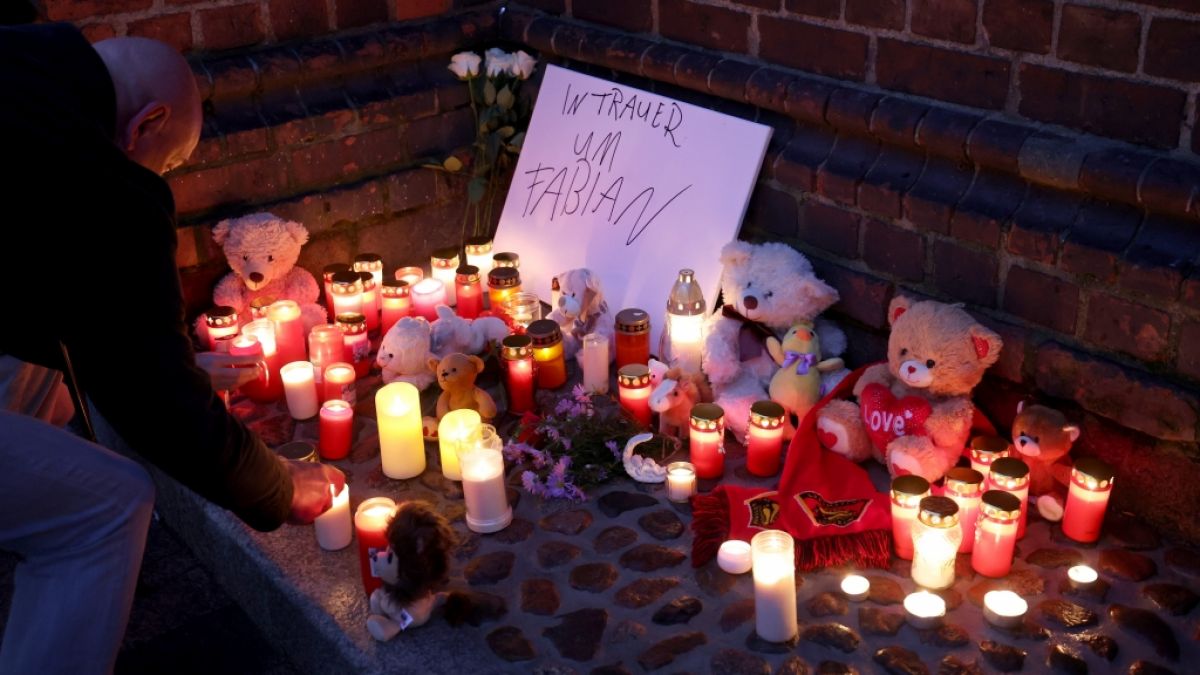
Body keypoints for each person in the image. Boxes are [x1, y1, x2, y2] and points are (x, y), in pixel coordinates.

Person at [0, 23, 344, 674]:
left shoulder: (24, 64)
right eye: (171, 162)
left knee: (44, 389)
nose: (161, 176)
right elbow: (153, 399)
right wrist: (274, 485)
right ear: (148, 122)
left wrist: (172, 366)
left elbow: (74, 314)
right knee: (107, 505)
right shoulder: (100, 176)